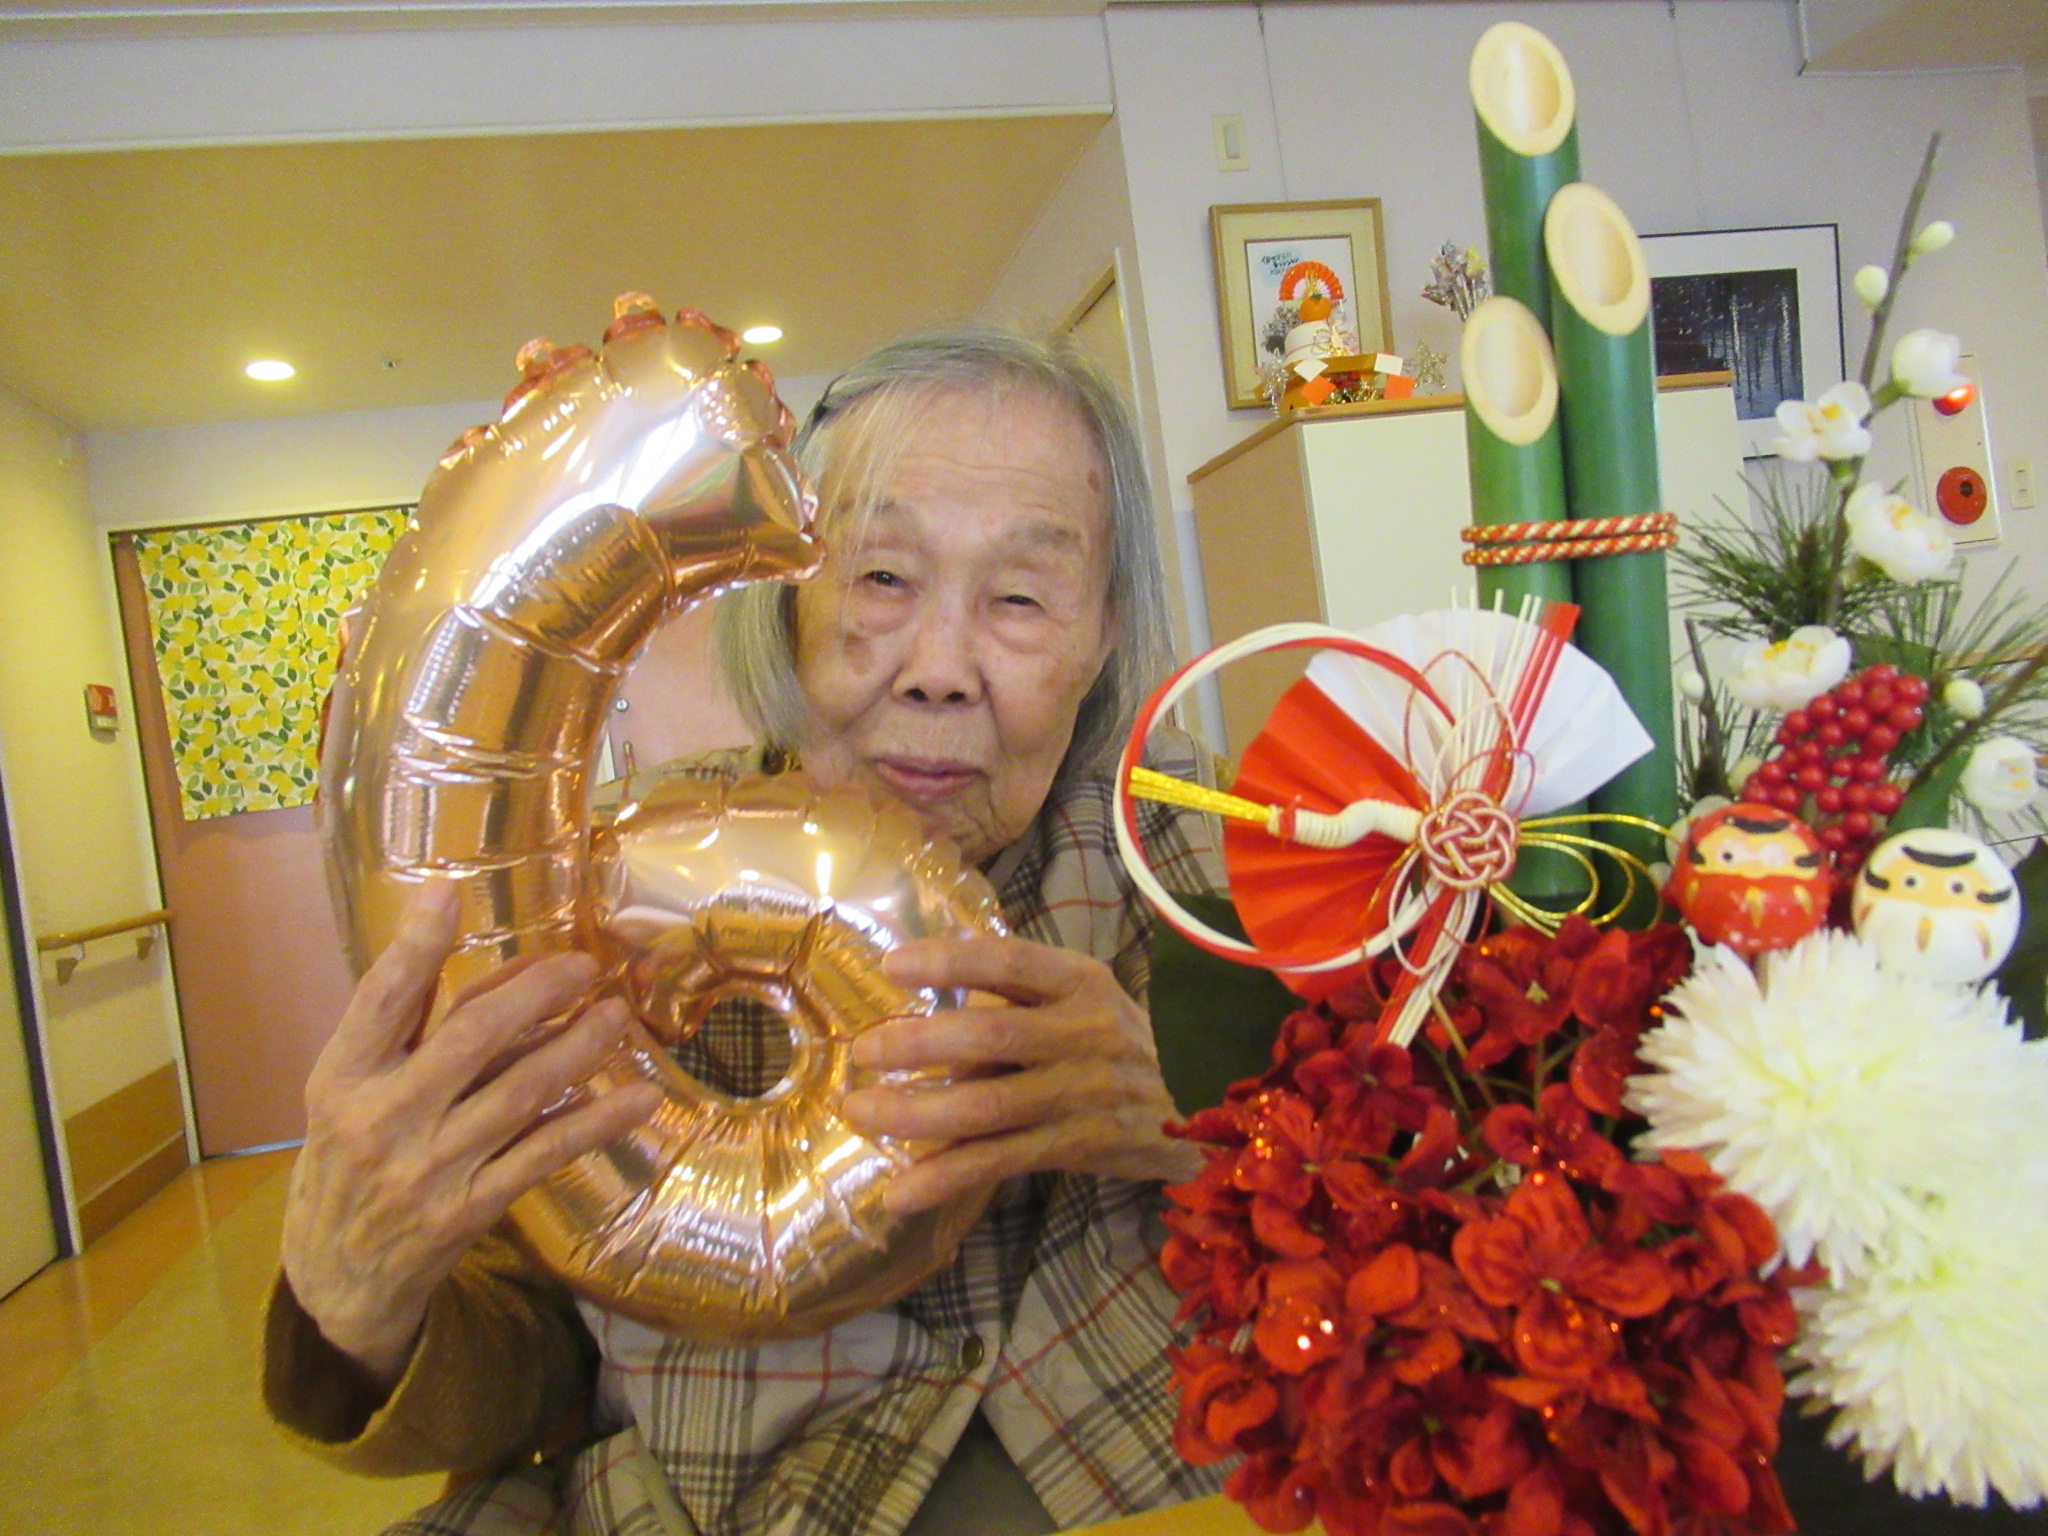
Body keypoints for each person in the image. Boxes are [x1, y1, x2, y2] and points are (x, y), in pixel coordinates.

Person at [264, 329, 1232, 1536]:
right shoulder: (603, 894)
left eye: (1021, 598)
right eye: (880, 578)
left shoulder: (1226, 871)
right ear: (787, 603)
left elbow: (1422, 1247)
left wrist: (1215, 1116)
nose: (936, 669)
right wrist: (359, 1303)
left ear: (1105, 633)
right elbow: (531, 1371)